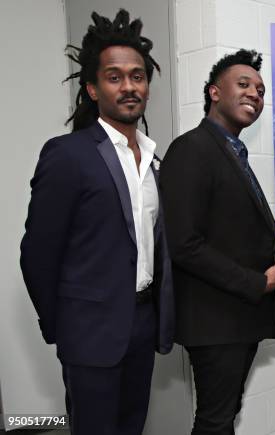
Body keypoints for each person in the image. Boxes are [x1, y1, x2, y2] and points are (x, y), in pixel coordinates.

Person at [19, 10, 174, 435]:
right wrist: (64, 327)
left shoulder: (155, 161)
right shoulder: (68, 154)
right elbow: (37, 253)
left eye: (138, 76)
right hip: (89, 333)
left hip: (142, 324)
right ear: (92, 88)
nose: (129, 86)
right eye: (114, 77)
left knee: (132, 427)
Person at [160, 49, 275, 435]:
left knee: (223, 415)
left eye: (260, 89)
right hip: (214, 320)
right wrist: (259, 283)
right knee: (215, 421)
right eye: (243, 84)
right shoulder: (192, 149)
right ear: (213, 92)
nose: (255, 93)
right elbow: (183, 243)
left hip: (237, 318)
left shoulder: (233, 153)